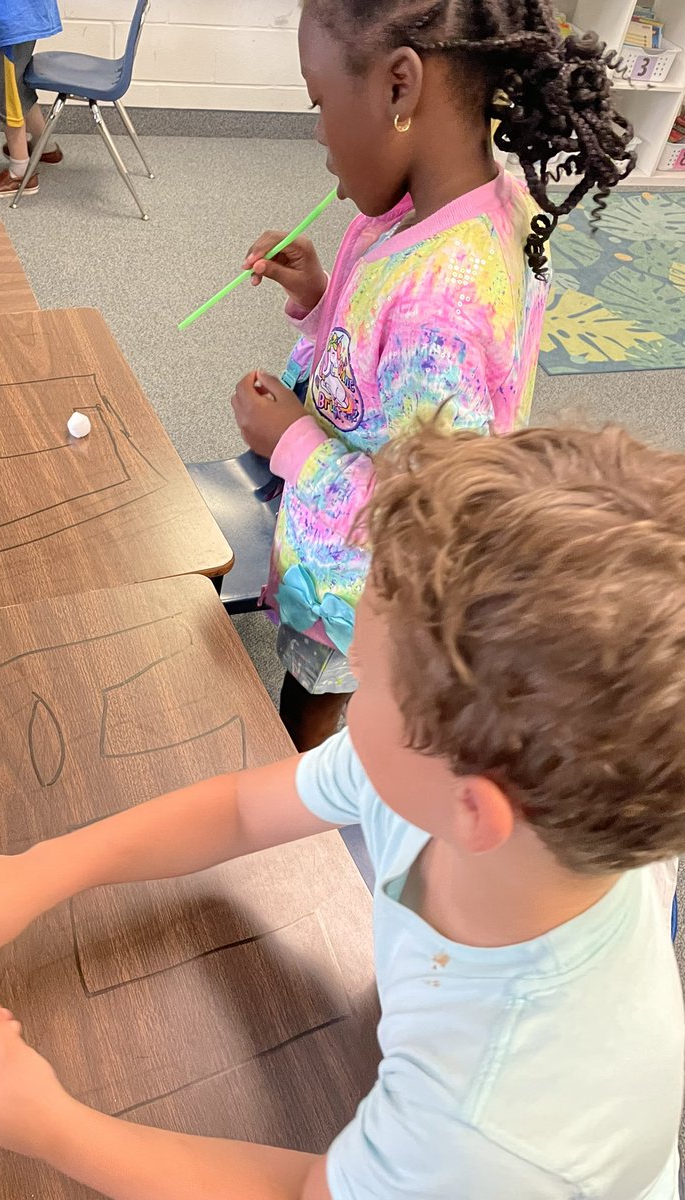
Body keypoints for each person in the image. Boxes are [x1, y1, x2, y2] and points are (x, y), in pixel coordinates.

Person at [0, 423, 685, 1200]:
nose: (347, 676)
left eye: (367, 676)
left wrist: (45, 1125)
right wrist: (42, 870)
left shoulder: (487, 1125)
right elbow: (244, 809)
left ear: (473, 810)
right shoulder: (494, 792)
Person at [230, 0, 635, 752]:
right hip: (352, 516)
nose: (318, 132)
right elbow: (382, 361)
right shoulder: (450, 209)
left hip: (374, 579)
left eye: (319, 102)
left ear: (398, 86)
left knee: (318, 710)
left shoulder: (445, 303)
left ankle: (314, 799)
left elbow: (425, 516)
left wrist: (291, 442)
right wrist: (321, 297)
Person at [0, 0, 64, 199]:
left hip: (9, 16)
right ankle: (44, 146)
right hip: (18, 13)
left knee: (6, 89)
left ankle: (19, 174)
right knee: (16, 83)